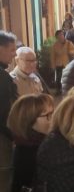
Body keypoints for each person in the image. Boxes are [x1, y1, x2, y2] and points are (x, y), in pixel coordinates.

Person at [7, 94, 54, 192]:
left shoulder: (38, 143)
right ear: (29, 120)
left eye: (53, 113)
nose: (52, 119)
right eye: (47, 115)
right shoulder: (29, 153)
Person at [0, 31, 17, 192]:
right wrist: (14, 135)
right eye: (11, 50)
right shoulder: (3, 78)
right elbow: (4, 113)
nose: (14, 55)